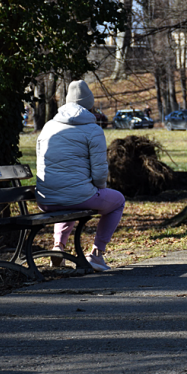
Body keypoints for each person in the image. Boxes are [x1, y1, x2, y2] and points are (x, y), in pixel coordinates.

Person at [36, 80, 126, 271]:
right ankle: (96, 254)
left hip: (46, 198)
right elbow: (100, 170)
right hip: (77, 195)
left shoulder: (49, 126)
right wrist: (99, 190)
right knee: (117, 200)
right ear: (89, 103)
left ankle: (58, 247)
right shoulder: (93, 129)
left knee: (68, 196)